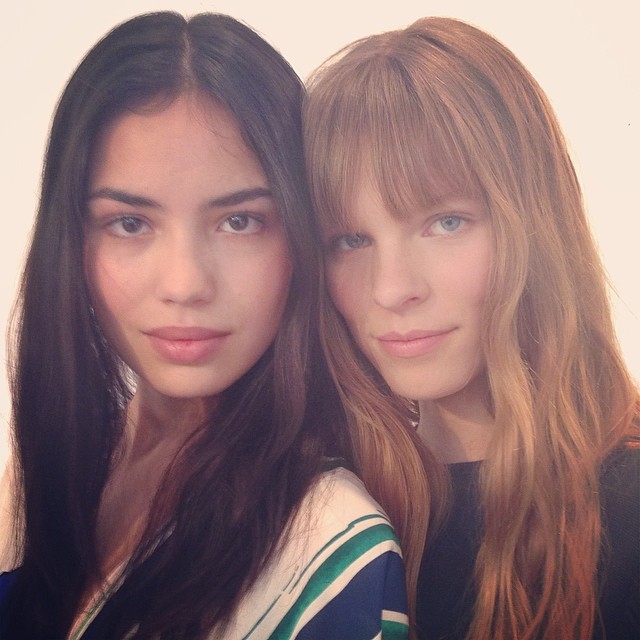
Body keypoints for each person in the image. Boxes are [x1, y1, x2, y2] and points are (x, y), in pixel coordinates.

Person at [0, 12, 413, 639]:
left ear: (301, 234)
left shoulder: (328, 548)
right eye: (130, 223)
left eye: (239, 221)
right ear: (72, 242)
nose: (186, 283)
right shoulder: (42, 473)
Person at [304, 16, 640, 640]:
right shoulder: (320, 515)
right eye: (351, 239)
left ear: (534, 223)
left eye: (445, 223)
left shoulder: (628, 509)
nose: (391, 289)